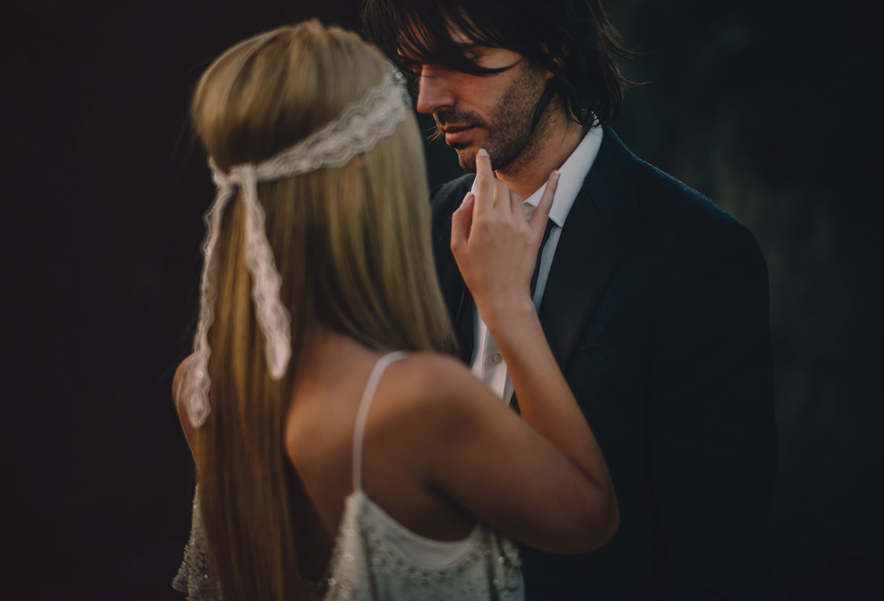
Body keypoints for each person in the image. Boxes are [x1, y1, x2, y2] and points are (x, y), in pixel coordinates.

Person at [170, 20, 619, 601]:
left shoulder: (198, 389)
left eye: (460, 60)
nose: (426, 101)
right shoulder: (420, 399)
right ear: (360, 179)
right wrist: (507, 304)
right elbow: (590, 515)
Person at [363, 0, 780, 599]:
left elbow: (720, 558)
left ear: (552, 49)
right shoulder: (423, 226)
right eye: (416, 66)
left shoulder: (698, 255)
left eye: (463, 61)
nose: (427, 98)